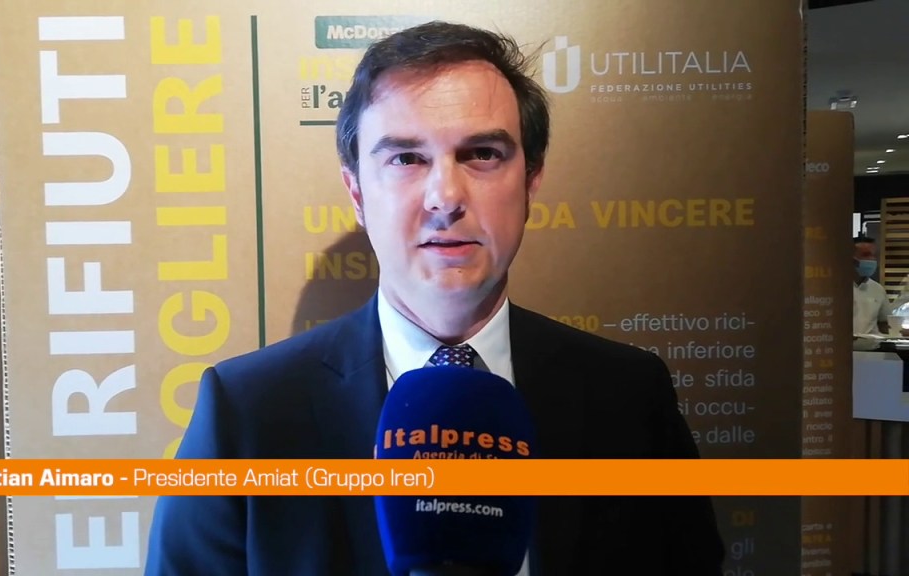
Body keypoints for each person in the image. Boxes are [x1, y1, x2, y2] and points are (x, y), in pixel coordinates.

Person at [145, 21, 724, 575]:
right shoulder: (245, 414)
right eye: (406, 158)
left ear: (531, 181)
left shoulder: (629, 396)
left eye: (482, 154)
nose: (445, 197)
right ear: (356, 192)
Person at [852, 235, 894, 335]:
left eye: (874, 255)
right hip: (842, 344)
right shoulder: (835, 288)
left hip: (872, 344)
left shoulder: (877, 289)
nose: (872, 259)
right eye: (866, 255)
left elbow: (884, 323)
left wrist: (898, 331)